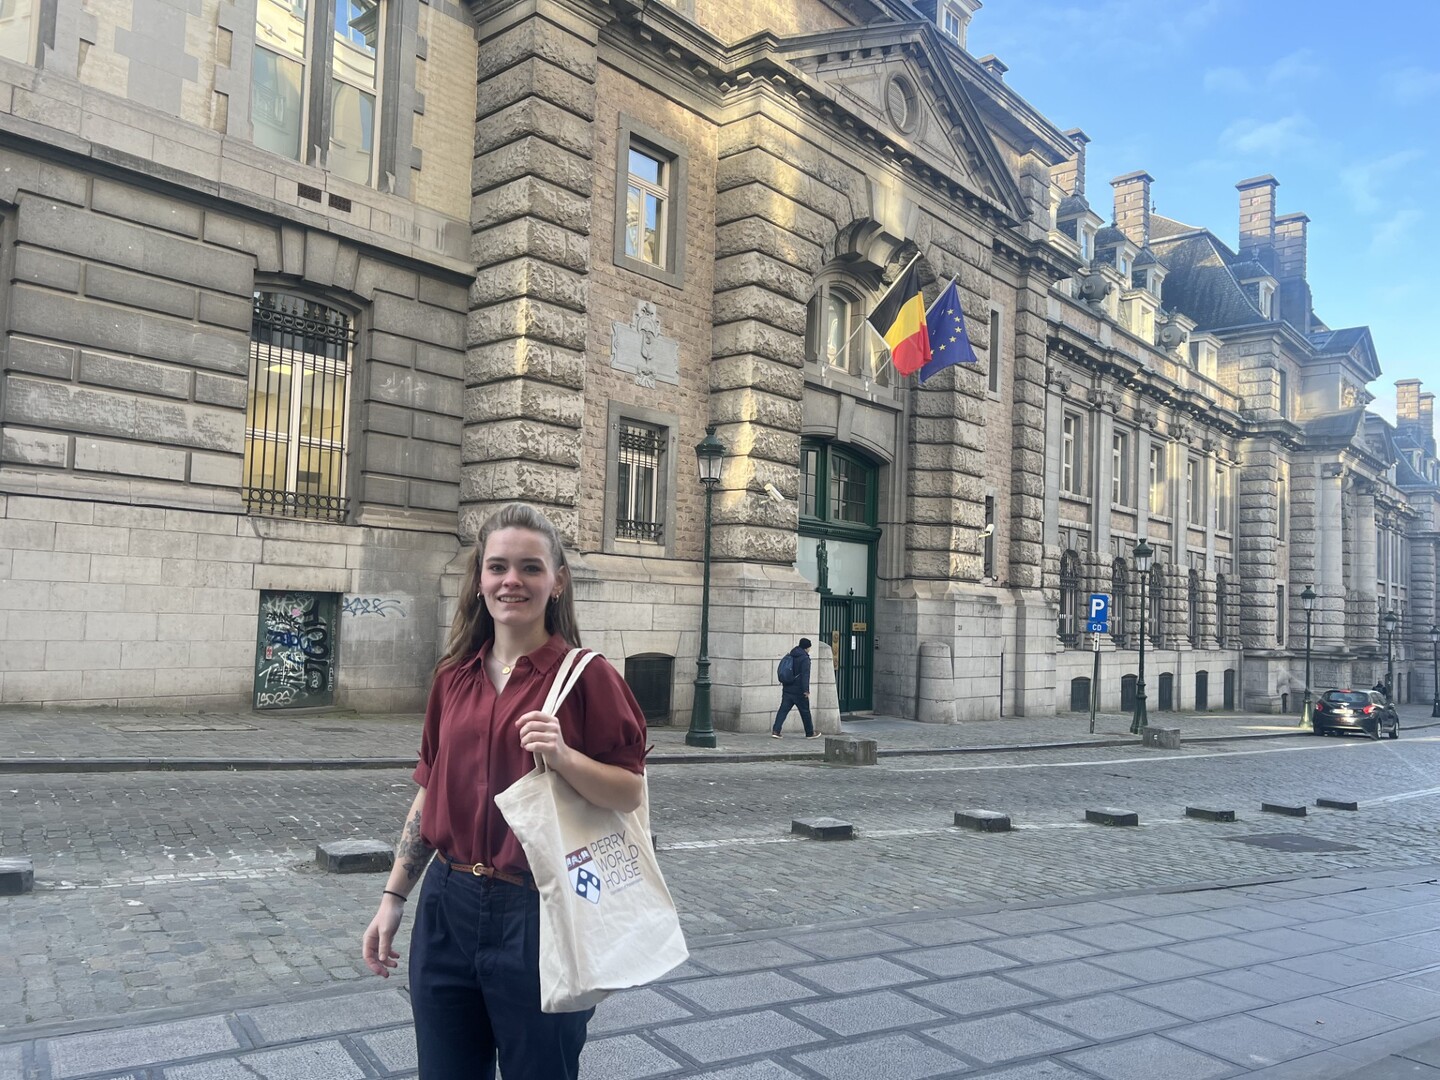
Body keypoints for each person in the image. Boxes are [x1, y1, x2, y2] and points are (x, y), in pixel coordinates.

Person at [361, 502, 647, 1080]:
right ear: (480, 579)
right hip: (446, 906)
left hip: (538, 910)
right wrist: (394, 899)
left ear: (557, 581)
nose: (511, 580)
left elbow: (628, 792)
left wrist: (564, 757)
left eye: (529, 568)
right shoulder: (453, 676)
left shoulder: (587, 676)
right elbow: (429, 790)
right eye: (497, 567)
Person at [773, 637, 819, 739]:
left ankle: (776, 731)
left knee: (783, 710)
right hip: (799, 691)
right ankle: (810, 733)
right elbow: (805, 676)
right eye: (809, 648)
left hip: (788, 688)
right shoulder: (805, 659)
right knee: (805, 712)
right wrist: (806, 690)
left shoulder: (791, 654)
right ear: (806, 648)